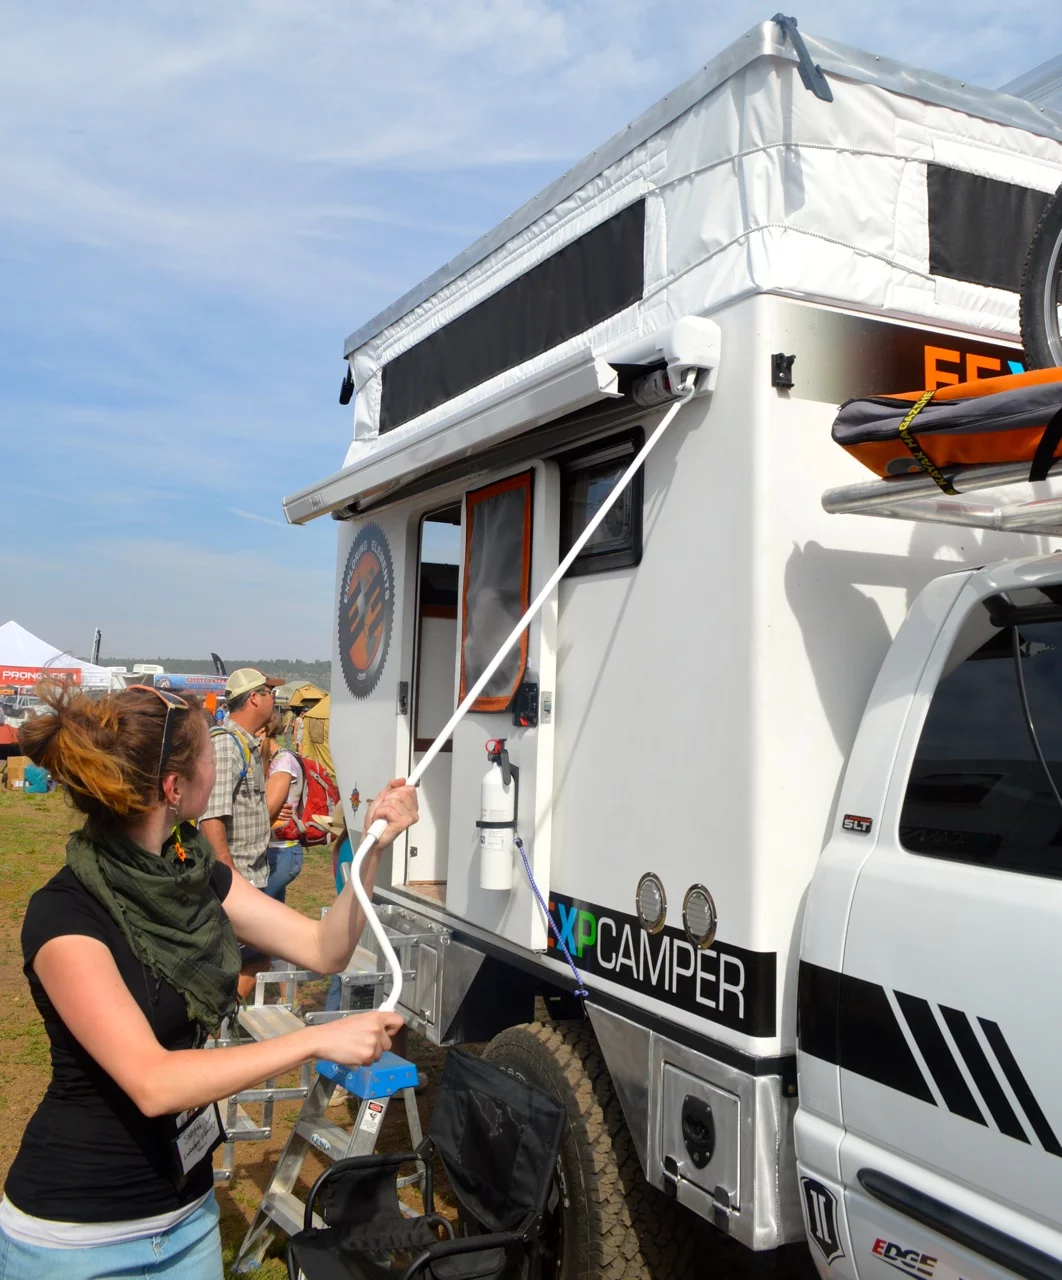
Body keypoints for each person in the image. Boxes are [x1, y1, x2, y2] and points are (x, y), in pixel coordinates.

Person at [1, 681, 415, 1280]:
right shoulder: (64, 915)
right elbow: (152, 1081)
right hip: (76, 1241)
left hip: (188, 1217)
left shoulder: (194, 873)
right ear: (174, 789)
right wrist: (315, 1039)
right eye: (206, 755)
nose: (215, 764)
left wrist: (374, 842)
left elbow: (324, 949)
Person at [199, 668, 280, 1001]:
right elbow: (211, 816)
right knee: (247, 961)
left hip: (249, 877)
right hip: (237, 879)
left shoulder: (244, 744)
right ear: (254, 698)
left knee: (254, 959)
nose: (275, 699)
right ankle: (213, 1031)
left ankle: (220, 1031)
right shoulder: (227, 745)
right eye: (270, 692)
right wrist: (228, 874)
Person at [259, 713, 304, 904]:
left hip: (282, 851)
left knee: (258, 909)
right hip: (273, 851)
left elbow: (266, 811)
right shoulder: (269, 761)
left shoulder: (283, 763)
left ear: (262, 732)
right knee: (273, 918)